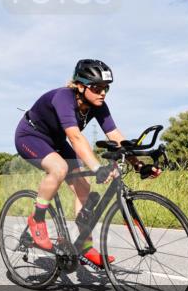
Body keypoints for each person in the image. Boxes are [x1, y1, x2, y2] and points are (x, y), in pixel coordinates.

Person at [13, 59, 160, 268]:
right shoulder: (64, 98)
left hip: (55, 140)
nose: (103, 93)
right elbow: (75, 137)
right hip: (30, 136)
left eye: (106, 88)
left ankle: (83, 245)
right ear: (80, 86)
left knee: (84, 185)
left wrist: (138, 164)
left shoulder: (98, 105)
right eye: (97, 87)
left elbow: (115, 134)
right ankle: (37, 219)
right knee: (59, 168)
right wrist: (97, 167)